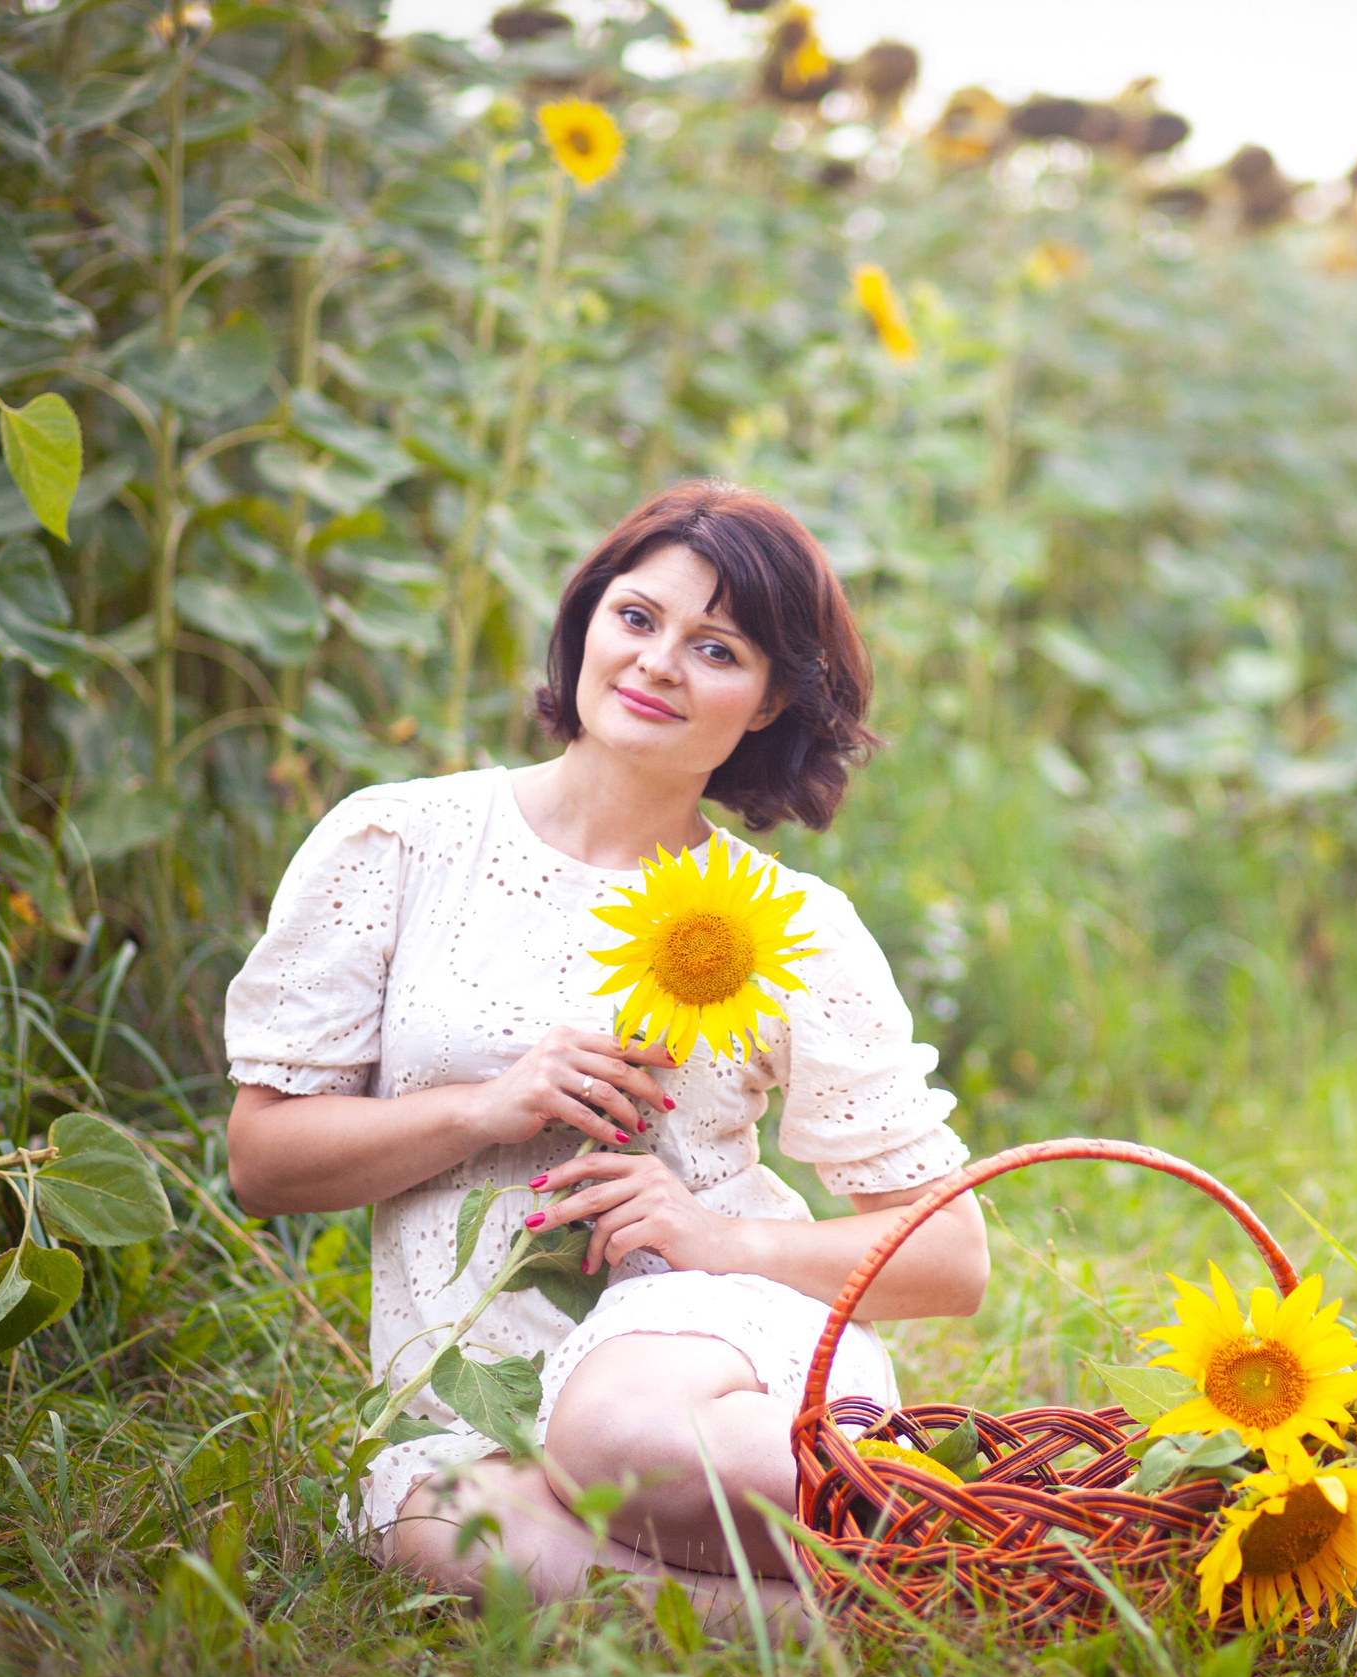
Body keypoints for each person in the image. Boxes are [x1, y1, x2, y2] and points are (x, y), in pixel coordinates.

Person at [223, 482, 988, 1615]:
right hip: (465, 1396)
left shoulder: (786, 927)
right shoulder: (402, 839)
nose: (659, 664)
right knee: (440, 1533)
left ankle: (947, 1522)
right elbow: (262, 1163)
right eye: (637, 618)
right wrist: (486, 1106)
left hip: (696, 1343)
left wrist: (709, 1234)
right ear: (586, 623)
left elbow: (950, 1260)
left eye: (717, 648)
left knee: (626, 1439)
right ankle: (918, 1595)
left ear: (773, 700)